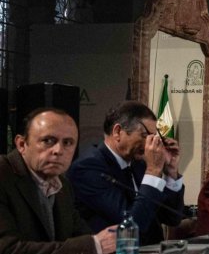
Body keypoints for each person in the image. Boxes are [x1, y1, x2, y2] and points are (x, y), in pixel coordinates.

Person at [0, 108, 116, 254]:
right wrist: (94, 245)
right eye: (48, 141)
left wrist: (112, 243)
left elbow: (82, 235)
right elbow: (6, 251)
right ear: (21, 144)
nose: (58, 151)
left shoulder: (62, 185)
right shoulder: (3, 174)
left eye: (67, 143)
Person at [68, 101, 185, 246]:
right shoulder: (87, 168)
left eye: (154, 137)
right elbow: (131, 226)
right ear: (118, 132)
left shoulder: (140, 164)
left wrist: (171, 172)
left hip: (153, 253)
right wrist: (153, 171)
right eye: (145, 135)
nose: (149, 144)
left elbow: (172, 218)